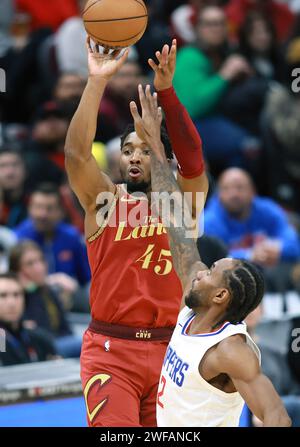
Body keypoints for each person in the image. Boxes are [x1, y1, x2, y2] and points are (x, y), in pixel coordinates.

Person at [65, 39, 208, 427]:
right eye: (129, 149)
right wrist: (96, 81)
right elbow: (77, 157)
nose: (134, 156)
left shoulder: (182, 205)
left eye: (146, 149)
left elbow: (193, 158)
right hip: (112, 350)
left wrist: (167, 93)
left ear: (162, 158)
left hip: (171, 349)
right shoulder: (106, 202)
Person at [129, 87, 291, 426]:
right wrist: (156, 149)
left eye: (211, 272)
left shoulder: (231, 351)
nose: (201, 271)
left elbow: (276, 415)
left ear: (221, 295)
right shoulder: (194, 306)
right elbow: (176, 225)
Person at [204, 168, 299, 291]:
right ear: (219, 194)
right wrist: (249, 255)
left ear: (253, 191)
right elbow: (212, 261)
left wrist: (278, 249)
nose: (234, 194)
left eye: (240, 188)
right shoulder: (209, 221)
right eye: (226, 189)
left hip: (271, 275)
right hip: (230, 286)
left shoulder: (268, 210)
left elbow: (294, 244)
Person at [9, 240, 82, 358]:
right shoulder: (16, 296)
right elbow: (34, 332)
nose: (39, 267)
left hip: (62, 343)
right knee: (89, 343)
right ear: (18, 271)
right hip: (41, 349)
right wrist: (29, 290)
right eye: (30, 264)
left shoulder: (49, 291)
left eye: (40, 260)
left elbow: (66, 328)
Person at [15, 183, 91, 288]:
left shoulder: (72, 237)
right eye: (38, 207)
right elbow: (13, 281)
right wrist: (51, 281)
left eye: (49, 208)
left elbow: (87, 279)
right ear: (29, 209)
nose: (42, 214)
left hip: (69, 297)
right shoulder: (18, 237)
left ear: (61, 212)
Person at [0, 272, 57, 366]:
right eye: (3, 295)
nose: (12, 303)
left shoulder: (38, 337)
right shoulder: (2, 339)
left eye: (16, 295)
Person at [0, 147, 28, 228]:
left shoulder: (36, 201)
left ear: (26, 171)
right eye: (3, 166)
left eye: (15, 165)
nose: (10, 172)